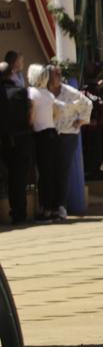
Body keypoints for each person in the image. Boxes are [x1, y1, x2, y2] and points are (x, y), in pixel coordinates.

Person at [47, 66, 92, 219]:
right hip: (51, 134)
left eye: (58, 74)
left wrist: (80, 121)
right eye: (54, 74)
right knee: (50, 171)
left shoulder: (69, 92)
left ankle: (61, 206)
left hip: (67, 135)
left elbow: (87, 104)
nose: (57, 77)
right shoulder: (46, 92)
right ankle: (51, 206)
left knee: (62, 171)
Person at [26, 64, 64, 221]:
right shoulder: (48, 94)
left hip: (40, 134)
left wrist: (30, 124)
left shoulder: (31, 93)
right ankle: (55, 208)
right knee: (53, 172)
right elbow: (58, 112)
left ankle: (45, 209)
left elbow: (32, 116)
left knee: (43, 173)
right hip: (52, 132)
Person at [0, 60, 33, 224]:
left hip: (4, 141)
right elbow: (28, 115)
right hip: (21, 140)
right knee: (19, 180)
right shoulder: (20, 91)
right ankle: (20, 213)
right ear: (11, 73)